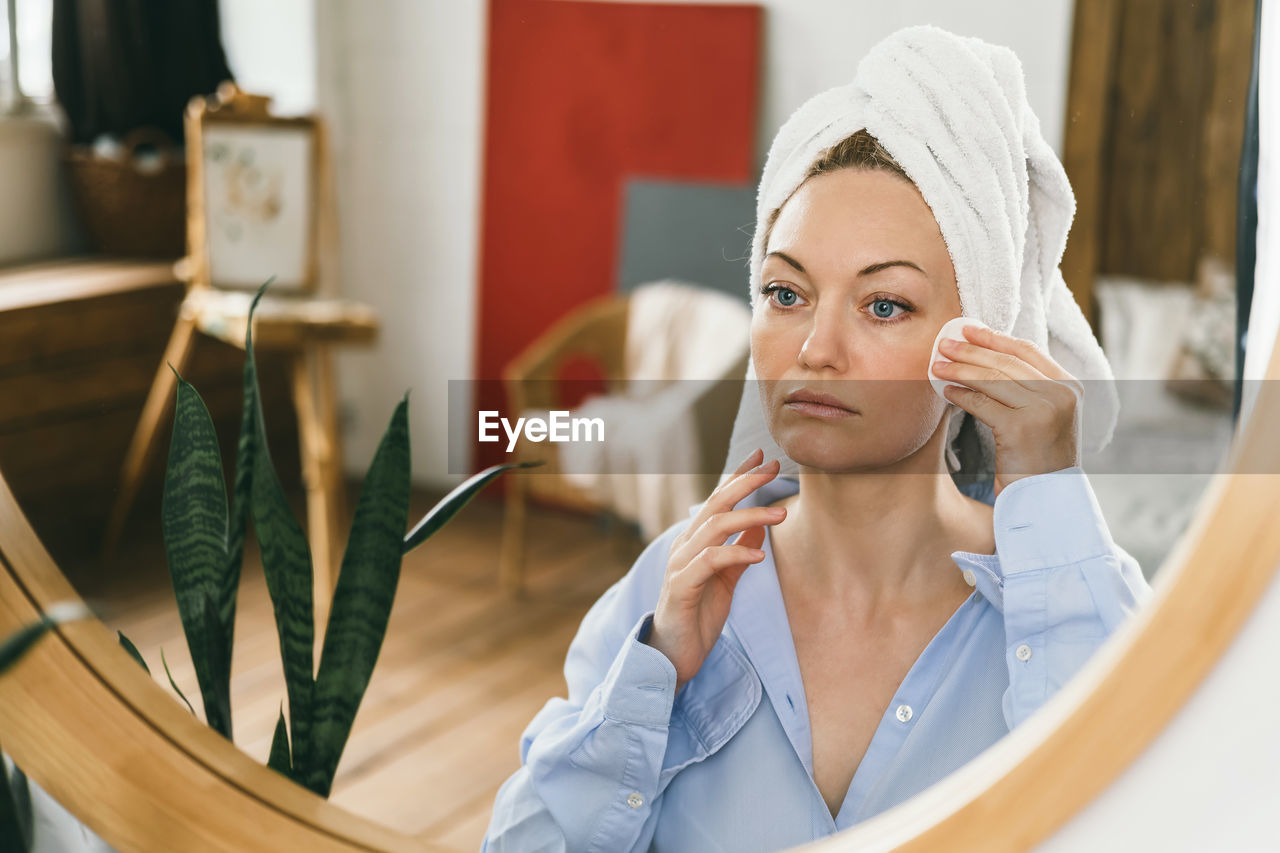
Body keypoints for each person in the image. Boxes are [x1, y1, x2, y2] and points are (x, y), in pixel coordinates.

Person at [481, 24, 1153, 853]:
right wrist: (652, 676)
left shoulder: (1068, 599)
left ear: (979, 340)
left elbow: (1128, 816)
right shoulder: (671, 590)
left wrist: (1046, 492)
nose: (815, 349)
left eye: (883, 305)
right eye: (785, 292)